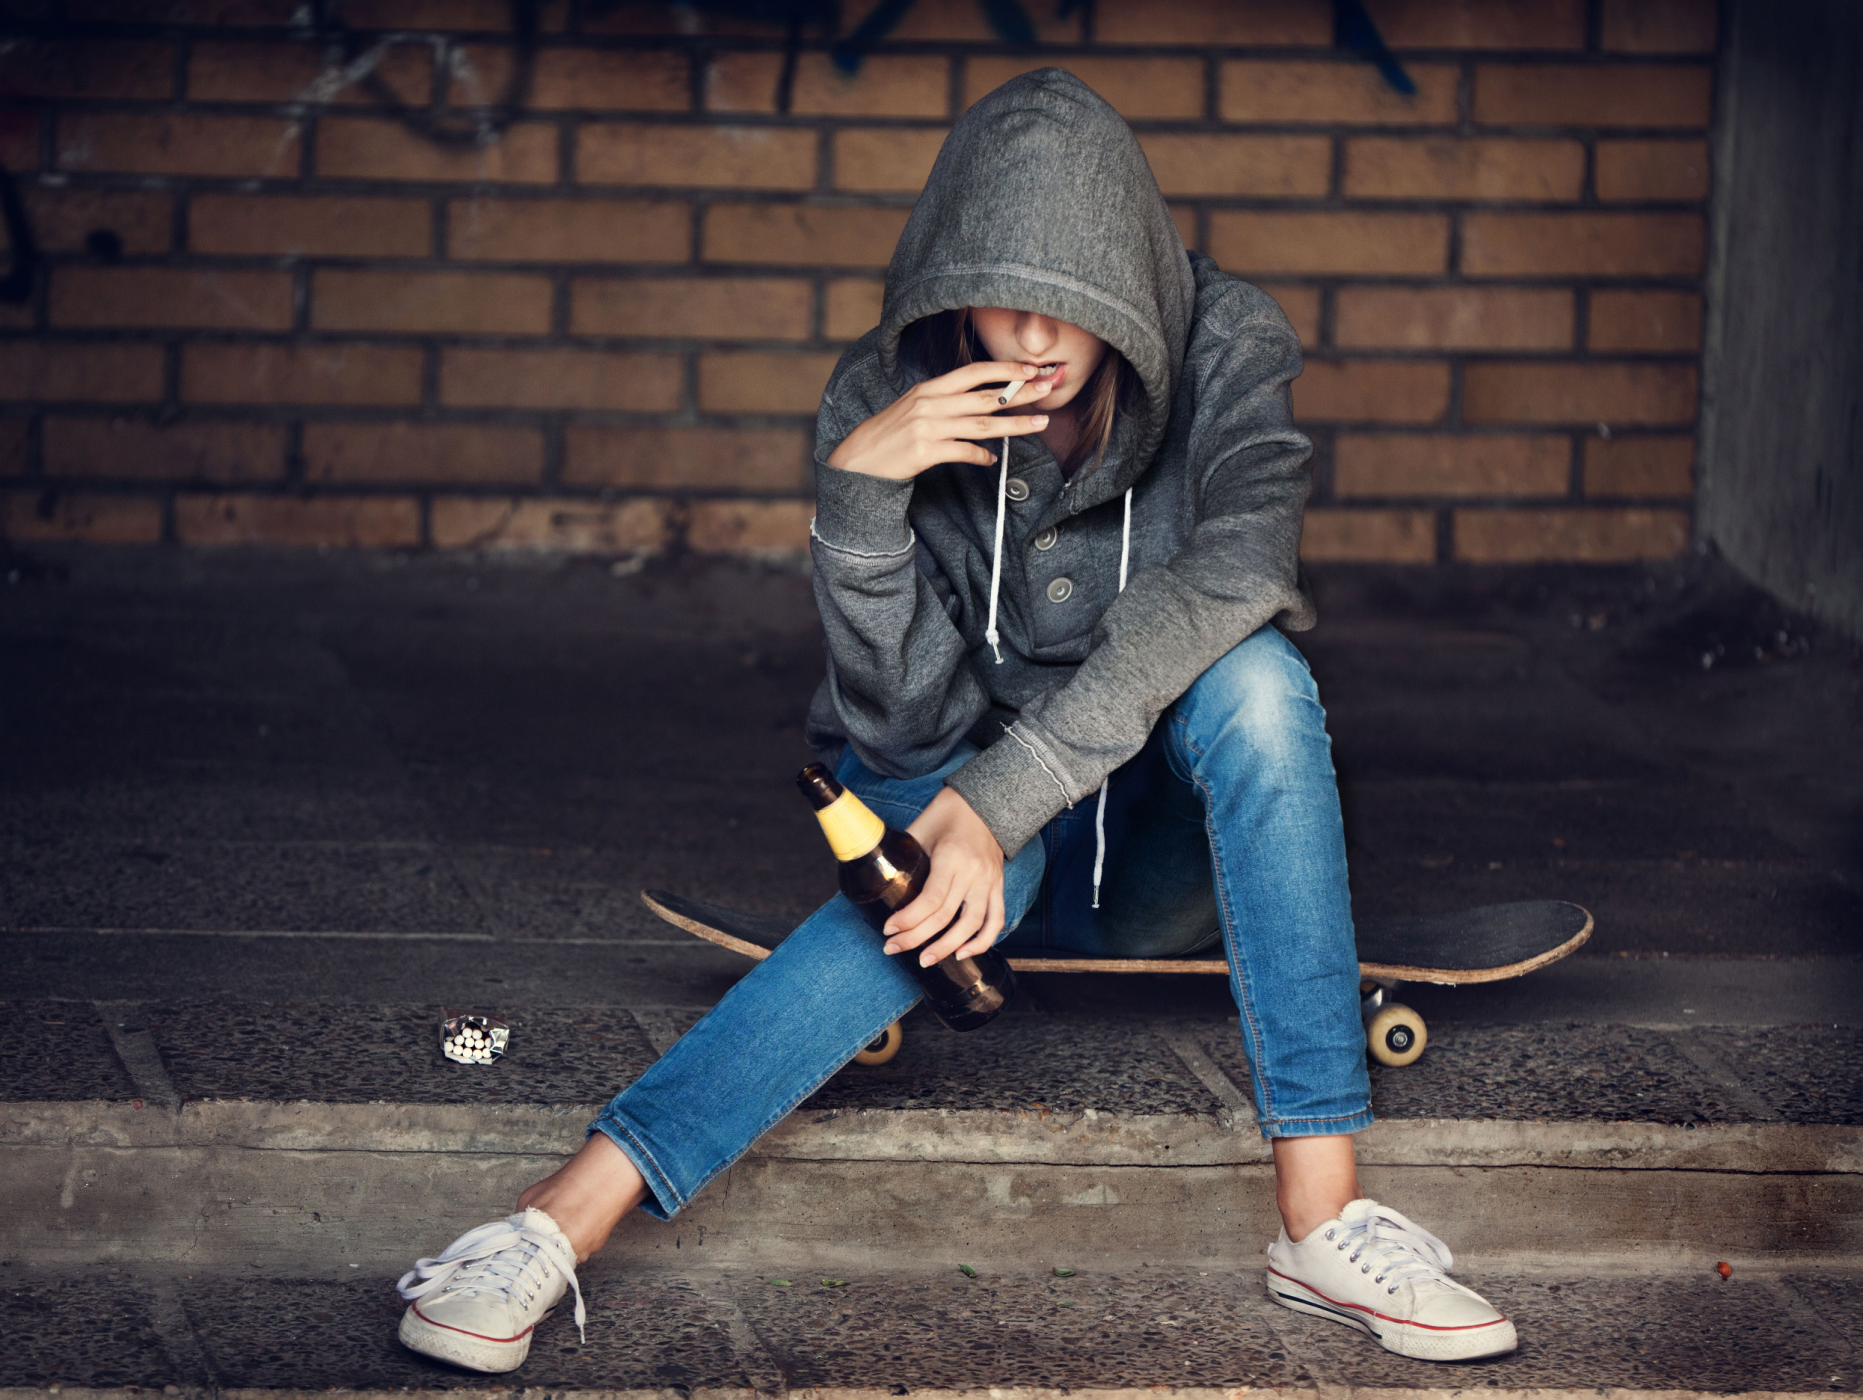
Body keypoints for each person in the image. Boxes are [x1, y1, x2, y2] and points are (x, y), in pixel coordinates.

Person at [394, 68, 1517, 1372]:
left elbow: (1244, 570)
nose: (1032, 337)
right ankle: (556, 1218)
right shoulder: (888, 393)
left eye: (1072, 298)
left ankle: (1322, 1224)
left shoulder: (1229, 345)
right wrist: (859, 508)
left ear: (1130, 278)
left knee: (1258, 680)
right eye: (1002, 295)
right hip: (966, 863)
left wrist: (1003, 798)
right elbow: (902, 726)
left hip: (1164, 860)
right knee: (938, 853)